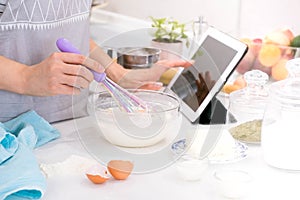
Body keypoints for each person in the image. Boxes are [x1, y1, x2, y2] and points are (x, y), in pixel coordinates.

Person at [0, 0, 192, 123]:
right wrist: (25, 77)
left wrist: (117, 74)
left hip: (69, 122)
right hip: (8, 134)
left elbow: (73, 32)